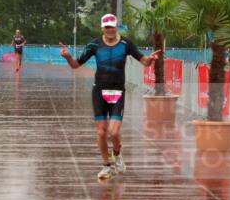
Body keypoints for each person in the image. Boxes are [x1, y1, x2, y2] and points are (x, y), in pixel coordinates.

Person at [60, 13, 160, 181]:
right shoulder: (94, 45)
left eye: (112, 26)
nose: (110, 30)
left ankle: (118, 156)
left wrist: (150, 59)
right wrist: (68, 56)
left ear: (116, 26)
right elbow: (76, 65)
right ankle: (107, 166)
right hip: (99, 91)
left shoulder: (126, 44)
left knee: (114, 131)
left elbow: (144, 61)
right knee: (101, 132)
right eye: (106, 27)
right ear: (102, 28)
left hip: (117, 92)